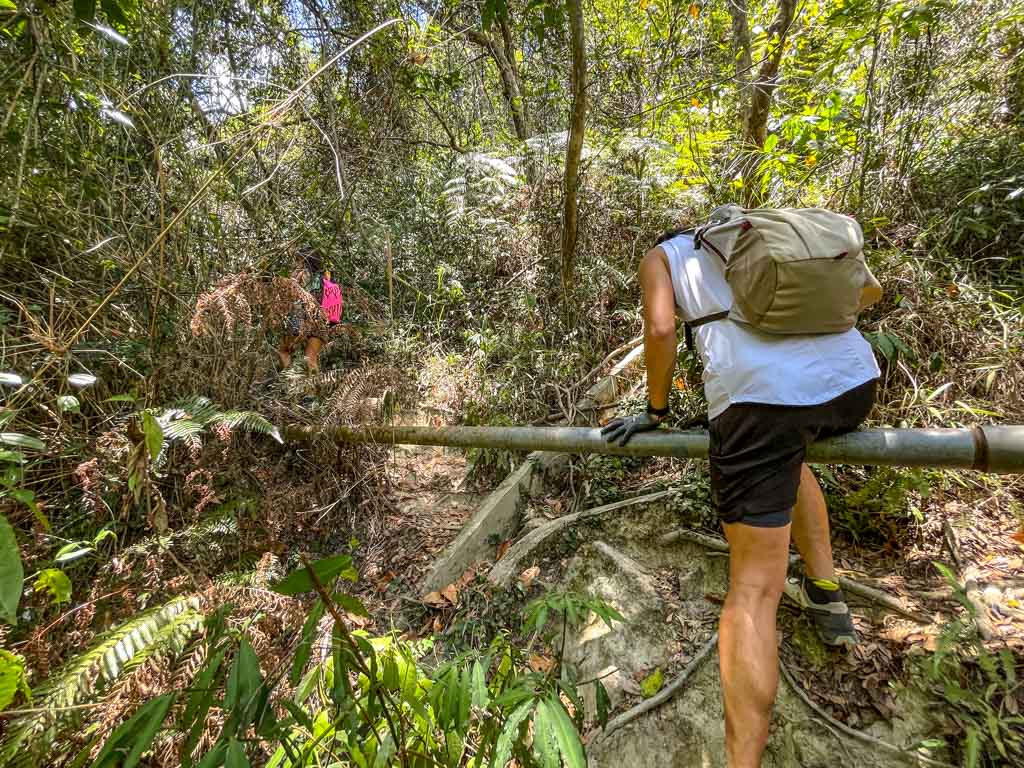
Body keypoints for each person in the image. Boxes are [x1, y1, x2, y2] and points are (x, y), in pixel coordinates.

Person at [601, 209, 882, 767]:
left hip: (761, 405)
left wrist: (655, 412)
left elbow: (660, 330)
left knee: (753, 591)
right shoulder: (769, 236)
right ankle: (826, 594)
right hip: (853, 385)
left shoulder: (662, 257)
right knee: (789, 459)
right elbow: (866, 294)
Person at [277, 246, 339, 375]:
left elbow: (291, 296)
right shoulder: (326, 277)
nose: (295, 263)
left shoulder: (300, 274)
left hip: (299, 318)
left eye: (297, 259)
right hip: (322, 320)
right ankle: (311, 391)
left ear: (303, 260)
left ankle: (291, 382)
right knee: (311, 359)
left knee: (284, 351)